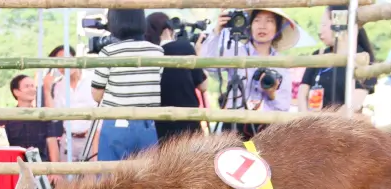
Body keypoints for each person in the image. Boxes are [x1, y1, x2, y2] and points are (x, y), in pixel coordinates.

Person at [198, 8, 299, 140]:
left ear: (277, 29)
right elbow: (208, 65)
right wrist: (217, 32)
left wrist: (271, 94)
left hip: (266, 129)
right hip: (234, 123)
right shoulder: (236, 53)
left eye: (269, 21)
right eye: (257, 20)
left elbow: (283, 108)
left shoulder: (281, 64)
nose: (262, 26)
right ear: (250, 25)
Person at [90, 9, 164, 162]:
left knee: (110, 181)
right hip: (148, 124)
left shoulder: (109, 52)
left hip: (116, 124)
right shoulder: (157, 52)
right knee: (148, 181)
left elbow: (97, 95)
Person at [297, 6, 377, 113]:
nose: (320, 31)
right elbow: (302, 93)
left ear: (340, 23)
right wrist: (307, 119)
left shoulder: (363, 58)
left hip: (343, 126)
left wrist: (331, 123)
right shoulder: (318, 55)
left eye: (324, 25)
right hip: (314, 124)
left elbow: (355, 102)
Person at [145, 12, 209, 142]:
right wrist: (197, 55)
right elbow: (203, 85)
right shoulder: (184, 47)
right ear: (168, 29)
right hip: (188, 125)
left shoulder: (146, 54)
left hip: (158, 127)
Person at [42, 45, 97, 162]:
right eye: (59, 63)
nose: (64, 65)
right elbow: (54, 117)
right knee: (67, 178)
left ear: (74, 58)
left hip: (91, 138)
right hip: (68, 140)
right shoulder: (59, 86)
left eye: (66, 59)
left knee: (92, 178)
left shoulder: (93, 78)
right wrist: (47, 90)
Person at [0, 74, 62, 164]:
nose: (32, 89)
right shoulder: (6, 117)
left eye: (33, 86)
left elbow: (52, 143)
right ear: (16, 92)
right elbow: (1, 146)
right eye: (27, 86)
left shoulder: (43, 115)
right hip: (15, 166)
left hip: (41, 166)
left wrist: (55, 171)